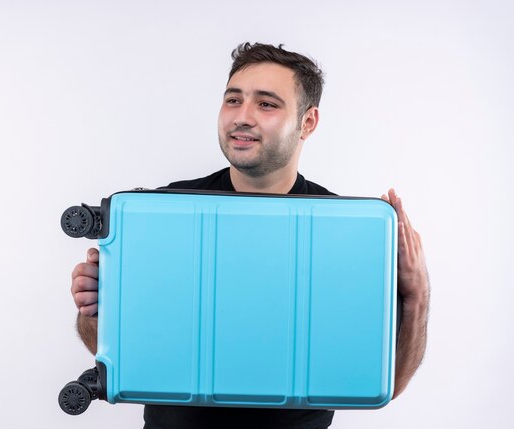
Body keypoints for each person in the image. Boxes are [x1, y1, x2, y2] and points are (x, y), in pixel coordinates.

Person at [70, 42, 430, 429]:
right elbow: (116, 356)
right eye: (233, 100)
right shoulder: (161, 213)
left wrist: (416, 293)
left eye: (267, 104)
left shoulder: (347, 231)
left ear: (308, 122)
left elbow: (388, 385)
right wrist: (93, 309)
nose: (242, 117)